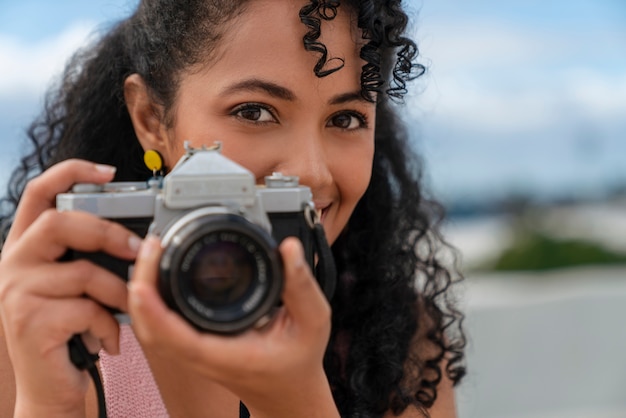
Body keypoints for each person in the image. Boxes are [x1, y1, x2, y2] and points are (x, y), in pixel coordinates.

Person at [0, 0, 466, 417]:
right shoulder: (46, 329)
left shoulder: (400, 344)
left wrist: (296, 404)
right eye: (254, 112)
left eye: (345, 119)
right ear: (150, 119)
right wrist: (47, 405)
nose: (312, 172)